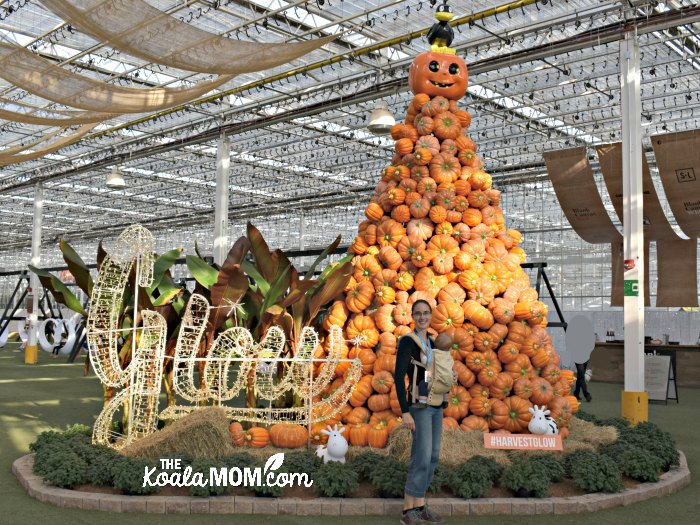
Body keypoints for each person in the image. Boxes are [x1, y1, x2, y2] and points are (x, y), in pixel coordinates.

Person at [394, 299, 446, 525]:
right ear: (413, 317)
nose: (422, 317)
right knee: (421, 456)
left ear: (431, 316)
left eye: (426, 313)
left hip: (435, 405)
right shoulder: (408, 342)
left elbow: (434, 372)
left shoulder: (433, 342)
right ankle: (408, 510)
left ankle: (421, 505)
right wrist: (405, 411)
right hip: (419, 406)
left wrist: (449, 377)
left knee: (433, 455)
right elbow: (398, 377)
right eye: (418, 314)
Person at [416, 332, 452, 407]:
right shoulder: (449, 356)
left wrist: (422, 352)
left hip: (435, 385)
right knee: (445, 379)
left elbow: (424, 361)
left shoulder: (432, 354)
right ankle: (445, 400)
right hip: (447, 386)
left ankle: (422, 402)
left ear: (435, 345)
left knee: (422, 384)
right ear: (449, 348)